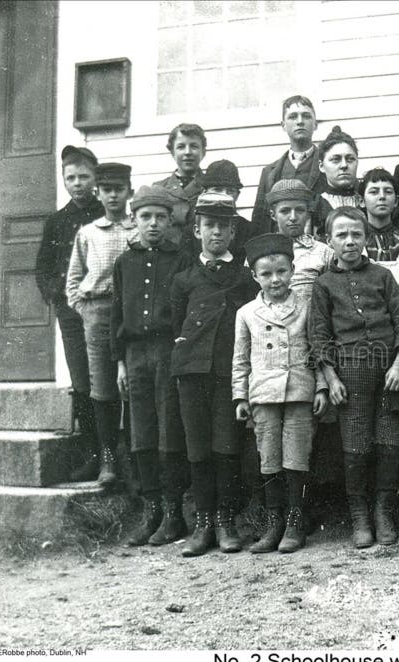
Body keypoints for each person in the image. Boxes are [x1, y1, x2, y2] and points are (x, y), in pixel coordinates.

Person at [308, 206, 399, 548]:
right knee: (355, 446)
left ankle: (384, 513)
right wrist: (331, 378)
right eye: (341, 235)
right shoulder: (324, 284)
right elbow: (319, 335)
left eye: (356, 234)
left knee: (388, 443)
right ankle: (360, 516)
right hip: (350, 374)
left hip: (389, 374)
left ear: (366, 238)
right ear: (330, 241)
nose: (350, 241)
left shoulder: (382, 276)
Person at [170, 191, 259, 557]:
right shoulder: (184, 279)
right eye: (209, 225)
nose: (217, 232)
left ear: (233, 232)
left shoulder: (245, 278)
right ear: (197, 230)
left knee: (226, 446)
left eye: (224, 226)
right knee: (197, 448)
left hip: (228, 374)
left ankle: (225, 520)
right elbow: (177, 326)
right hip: (192, 373)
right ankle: (203, 522)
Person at [232, 234, 329, 554]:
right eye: (267, 274)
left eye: (282, 272)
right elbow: (241, 359)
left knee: (297, 457)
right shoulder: (247, 313)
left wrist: (321, 387)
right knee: (269, 457)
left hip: (299, 390)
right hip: (263, 394)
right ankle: (274, 523)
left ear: (293, 270)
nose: (275, 279)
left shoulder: (306, 307)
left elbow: (317, 350)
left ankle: (295, 522)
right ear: (254, 276)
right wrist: (240, 396)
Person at [110, 185, 192, 546]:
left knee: (169, 428)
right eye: (146, 217)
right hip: (135, 354)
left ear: (170, 220)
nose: (153, 223)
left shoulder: (181, 259)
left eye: (160, 217)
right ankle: (152, 510)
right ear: (134, 219)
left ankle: (174, 515)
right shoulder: (124, 262)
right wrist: (120, 363)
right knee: (141, 431)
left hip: (167, 351)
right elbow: (116, 314)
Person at [65, 162, 138, 488]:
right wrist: (87, 312)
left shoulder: (137, 230)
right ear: (98, 193)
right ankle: (108, 456)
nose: (113, 196)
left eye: (119, 189)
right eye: (107, 190)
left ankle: (133, 457)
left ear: (129, 192)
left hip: (132, 314)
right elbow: (73, 283)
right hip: (98, 313)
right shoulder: (88, 233)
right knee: (103, 386)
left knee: (132, 383)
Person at [36, 145, 104, 481]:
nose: (77, 183)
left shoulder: (105, 215)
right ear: (64, 180)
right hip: (71, 315)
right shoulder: (56, 221)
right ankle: (92, 454)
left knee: (105, 379)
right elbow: (43, 267)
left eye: (84, 177)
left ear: (95, 178)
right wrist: (58, 295)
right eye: (71, 177)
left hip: (102, 312)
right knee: (81, 380)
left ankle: (113, 456)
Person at [250, 95, 328, 234]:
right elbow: (260, 223)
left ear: (315, 124)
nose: (300, 122)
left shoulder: (328, 166)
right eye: (293, 117)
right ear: (283, 125)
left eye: (306, 116)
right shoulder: (269, 172)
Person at [265, 179, 334, 307]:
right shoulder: (261, 252)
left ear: (308, 213)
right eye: (285, 211)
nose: (293, 217)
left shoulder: (324, 253)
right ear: (273, 215)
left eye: (299, 210)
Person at [360, 168, 399, 281]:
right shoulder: (358, 241)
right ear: (362, 201)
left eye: (388, 192)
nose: (382, 196)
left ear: (396, 201)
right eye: (374, 192)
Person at [188, 159, 258, 264]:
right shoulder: (191, 230)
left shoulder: (249, 230)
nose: (224, 195)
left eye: (230, 191)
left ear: (237, 195)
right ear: (204, 192)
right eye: (217, 190)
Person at [154, 123, 207, 244]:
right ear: (172, 152)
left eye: (194, 146)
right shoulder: (158, 189)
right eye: (181, 147)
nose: (187, 152)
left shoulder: (211, 187)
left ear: (203, 152)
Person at [314, 126, 362, 228]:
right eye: (336, 160)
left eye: (350, 159)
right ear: (321, 166)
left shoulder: (367, 202)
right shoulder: (315, 205)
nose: (344, 165)